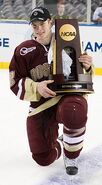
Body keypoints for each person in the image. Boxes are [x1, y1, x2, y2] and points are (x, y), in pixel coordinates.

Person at [9, 6, 93, 176]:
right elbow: (14, 82)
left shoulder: (68, 40)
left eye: (42, 24)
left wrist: (88, 66)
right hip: (41, 105)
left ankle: (71, 155)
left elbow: (82, 77)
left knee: (74, 111)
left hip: (66, 98)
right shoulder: (23, 50)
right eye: (35, 26)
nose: (39, 29)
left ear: (50, 22)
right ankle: (62, 145)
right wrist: (36, 87)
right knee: (43, 158)